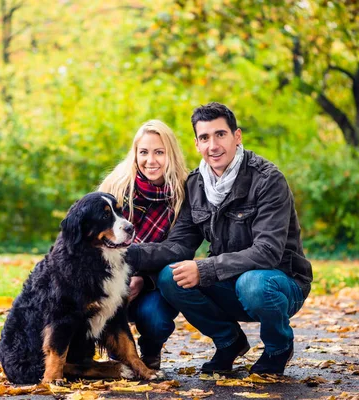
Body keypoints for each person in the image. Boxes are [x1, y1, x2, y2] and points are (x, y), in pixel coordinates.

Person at [125, 102, 313, 375]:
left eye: (220, 134)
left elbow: (267, 252)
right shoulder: (195, 184)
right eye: (205, 137)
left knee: (253, 283)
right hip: (230, 282)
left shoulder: (267, 179)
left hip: (280, 282)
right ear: (197, 145)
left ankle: (278, 347)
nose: (213, 145)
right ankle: (229, 342)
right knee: (170, 276)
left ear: (237, 137)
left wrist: (205, 268)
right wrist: (128, 254)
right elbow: (179, 245)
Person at [99, 119, 189, 369]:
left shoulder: (184, 193)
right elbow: (96, 242)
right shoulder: (116, 186)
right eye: (144, 152)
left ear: (171, 154)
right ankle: (118, 353)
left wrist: (145, 279)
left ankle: (151, 351)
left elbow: (179, 250)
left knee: (155, 319)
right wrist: (123, 280)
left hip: (153, 282)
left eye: (159, 152)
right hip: (113, 277)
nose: (151, 160)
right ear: (135, 154)